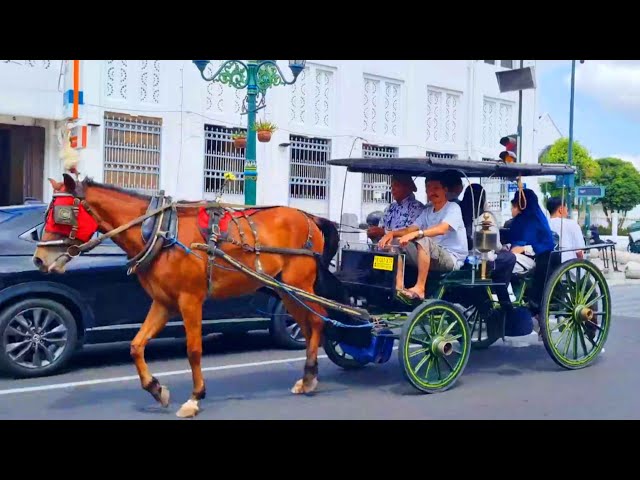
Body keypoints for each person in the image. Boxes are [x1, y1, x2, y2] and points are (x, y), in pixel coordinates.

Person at [378, 174, 468, 301]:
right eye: (429, 189)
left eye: (436, 188)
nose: (432, 192)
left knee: (423, 239)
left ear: (445, 190)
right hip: (429, 254)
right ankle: (399, 287)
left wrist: (418, 233)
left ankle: (420, 288)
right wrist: (392, 234)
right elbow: (410, 229)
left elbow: (442, 229)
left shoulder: (453, 208)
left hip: (450, 258)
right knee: (395, 242)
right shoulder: (427, 211)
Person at [366, 174, 424, 243]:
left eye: (396, 185)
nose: (392, 190)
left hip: (403, 251)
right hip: (383, 248)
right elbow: (381, 229)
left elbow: (409, 233)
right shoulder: (390, 208)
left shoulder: (417, 208)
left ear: (407, 187)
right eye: (391, 186)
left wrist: (384, 232)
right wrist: (373, 232)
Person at [546, 196, 586, 263]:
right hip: (569, 268)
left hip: (549, 267)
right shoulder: (572, 224)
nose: (567, 209)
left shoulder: (544, 225)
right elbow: (579, 252)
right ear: (561, 209)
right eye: (566, 207)